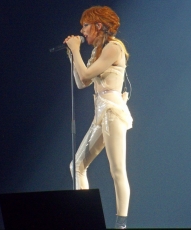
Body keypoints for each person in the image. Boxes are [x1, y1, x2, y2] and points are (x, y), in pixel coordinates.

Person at [64, 6, 133, 229]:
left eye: (85, 25)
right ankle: (86, 217)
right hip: (100, 113)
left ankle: (121, 224)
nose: (82, 31)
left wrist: (76, 51)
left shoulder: (114, 47)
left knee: (117, 169)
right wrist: (72, 55)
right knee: (77, 165)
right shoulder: (97, 52)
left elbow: (85, 75)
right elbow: (81, 82)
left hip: (112, 112)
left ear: (99, 25)